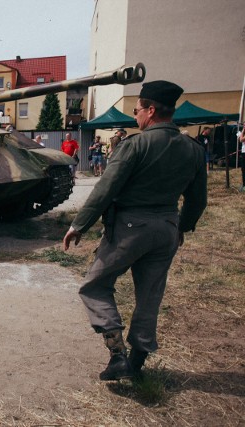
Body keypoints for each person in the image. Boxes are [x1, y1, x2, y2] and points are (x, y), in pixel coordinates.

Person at [62, 80, 207, 381]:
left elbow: (106, 188)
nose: (135, 114)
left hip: (130, 229)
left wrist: (80, 225)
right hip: (167, 228)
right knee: (150, 294)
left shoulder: (135, 145)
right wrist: (182, 227)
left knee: (95, 286)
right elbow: (197, 199)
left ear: (151, 111)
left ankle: (117, 355)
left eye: (138, 109)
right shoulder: (192, 149)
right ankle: (138, 361)